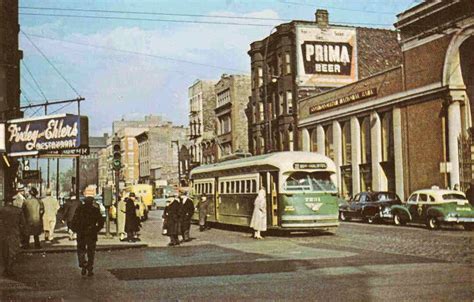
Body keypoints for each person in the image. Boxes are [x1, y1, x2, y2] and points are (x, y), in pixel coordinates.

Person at [70, 196, 104, 277]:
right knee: (91, 251)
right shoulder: (95, 210)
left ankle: (83, 264)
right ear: (92, 202)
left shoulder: (80, 209)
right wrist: (96, 229)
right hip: (91, 232)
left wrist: (75, 229)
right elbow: (101, 222)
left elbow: (74, 220)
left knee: (81, 250)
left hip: (81, 232)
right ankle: (90, 267)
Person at [0, 196, 26, 277]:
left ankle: (6, 268)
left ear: (5, 202)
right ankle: (10, 268)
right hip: (14, 233)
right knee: (13, 251)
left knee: (4, 251)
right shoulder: (18, 210)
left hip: (3, 233)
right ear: (12, 201)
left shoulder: (1, 210)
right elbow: (23, 223)